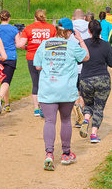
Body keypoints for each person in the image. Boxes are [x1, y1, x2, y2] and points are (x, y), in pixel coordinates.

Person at [33, 17, 89, 171]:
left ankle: (49, 154)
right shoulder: (72, 45)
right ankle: (65, 154)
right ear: (70, 31)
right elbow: (86, 57)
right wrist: (81, 40)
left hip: (48, 88)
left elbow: (37, 66)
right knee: (65, 120)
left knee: (49, 122)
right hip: (66, 89)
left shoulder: (45, 44)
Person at [79, 20, 112, 143]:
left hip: (86, 79)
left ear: (89, 31)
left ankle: (85, 120)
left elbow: (79, 60)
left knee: (89, 104)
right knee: (99, 108)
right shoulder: (106, 45)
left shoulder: (83, 43)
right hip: (102, 79)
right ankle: (94, 134)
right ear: (101, 31)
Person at [19, 9, 57, 117]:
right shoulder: (51, 28)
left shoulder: (28, 28)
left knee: (35, 82)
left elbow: (21, 45)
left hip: (32, 56)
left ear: (34, 18)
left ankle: (36, 108)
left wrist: (28, 47)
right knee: (47, 82)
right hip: (47, 57)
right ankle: (46, 106)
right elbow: (55, 43)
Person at [0, 10, 20, 113]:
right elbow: (18, 44)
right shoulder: (14, 29)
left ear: (0, 18)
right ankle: (0, 98)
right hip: (11, 57)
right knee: (6, 81)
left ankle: (7, 104)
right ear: (9, 18)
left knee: (3, 82)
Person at [69, 9, 91, 128]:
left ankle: (78, 114)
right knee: (84, 93)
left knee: (75, 92)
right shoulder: (90, 26)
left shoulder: (69, 28)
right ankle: (81, 110)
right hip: (87, 65)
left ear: (73, 18)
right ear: (84, 18)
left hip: (73, 66)